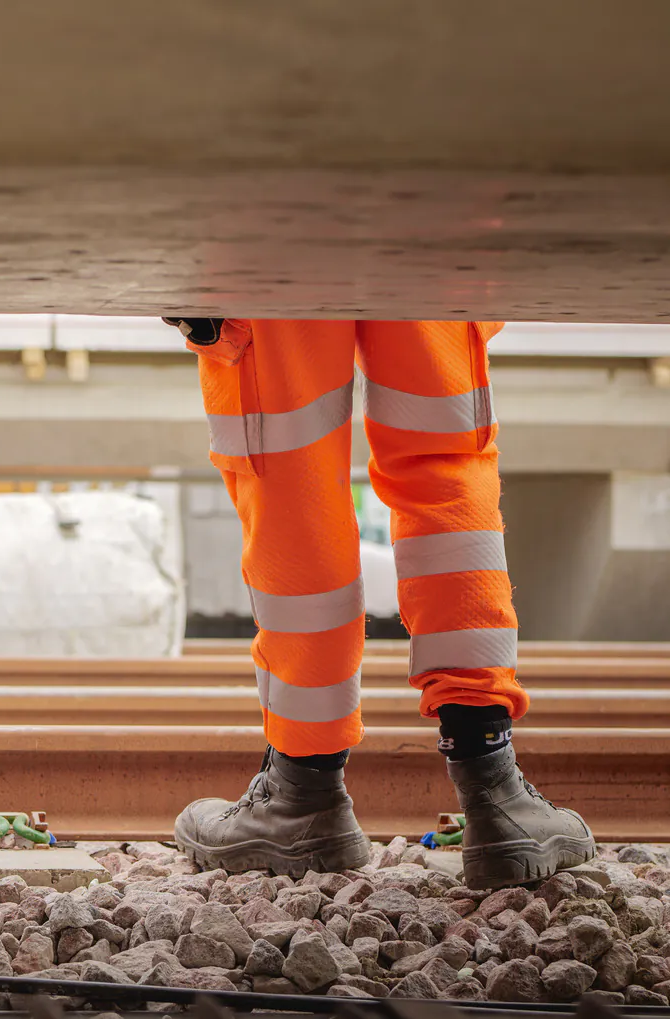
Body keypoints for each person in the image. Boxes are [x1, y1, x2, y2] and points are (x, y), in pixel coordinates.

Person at [165, 318, 594, 889]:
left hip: (272, 238)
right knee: (444, 463)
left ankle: (302, 792)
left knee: (290, 473)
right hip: (429, 236)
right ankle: (494, 787)